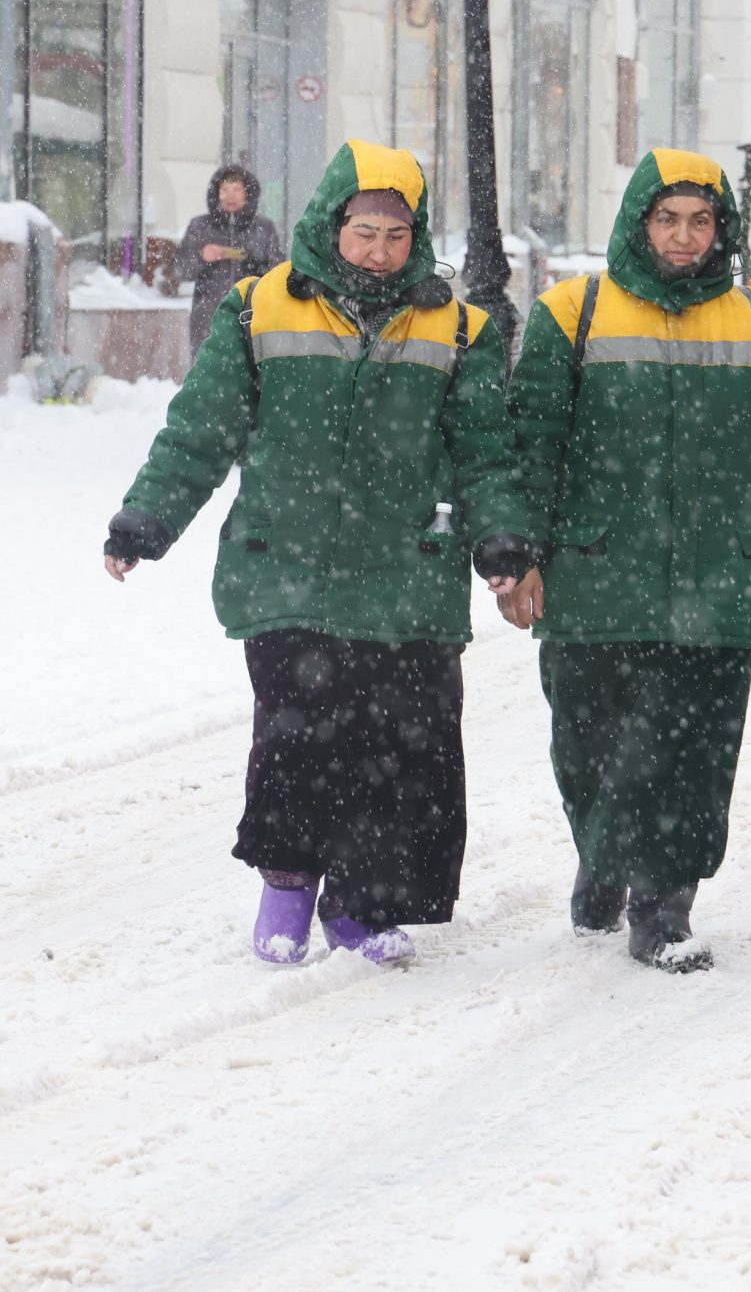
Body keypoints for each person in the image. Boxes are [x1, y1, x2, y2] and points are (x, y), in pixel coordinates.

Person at [102, 141, 531, 969]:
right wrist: (146, 519)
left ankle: (363, 906)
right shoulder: (260, 308)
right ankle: (288, 886)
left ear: (417, 237)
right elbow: (203, 427)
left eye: (396, 236)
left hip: (408, 565)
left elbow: (485, 451)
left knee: (397, 745)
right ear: (333, 223)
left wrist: (499, 537)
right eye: (364, 231)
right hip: (286, 561)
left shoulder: (458, 325)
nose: (378, 250)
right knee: (297, 734)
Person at [503, 150, 751, 973]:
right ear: (639, 221)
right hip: (597, 573)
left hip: (722, 580)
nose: (684, 237)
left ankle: (664, 903)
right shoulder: (570, 314)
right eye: (668, 219)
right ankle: (605, 856)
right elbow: (531, 449)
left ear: (724, 229)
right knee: (591, 749)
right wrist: (519, 553)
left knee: (693, 752)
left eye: (701, 221)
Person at [176, 164, 286, 354]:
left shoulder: (264, 228)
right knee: (209, 377)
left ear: (247, 193)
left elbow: (279, 272)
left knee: (251, 378)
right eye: (225, 190)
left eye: (236, 189)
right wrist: (202, 256)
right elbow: (181, 270)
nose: (230, 195)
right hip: (208, 321)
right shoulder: (200, 226)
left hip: (254, 319)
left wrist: (254, 261)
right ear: (216, 193)